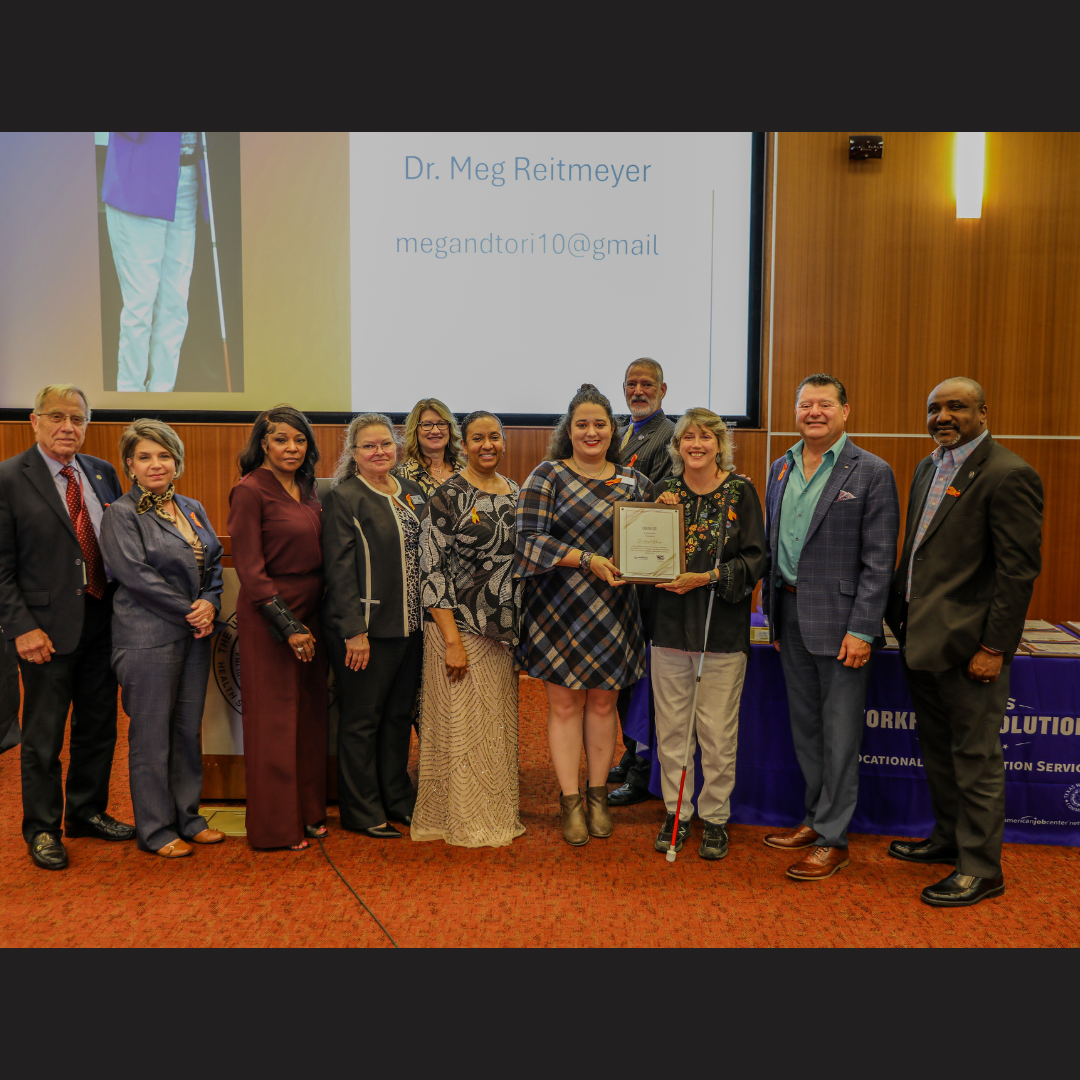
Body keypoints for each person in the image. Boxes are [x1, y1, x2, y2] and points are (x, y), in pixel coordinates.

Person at [885, 378, 1042, 907]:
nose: (943, 416)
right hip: (922, 639)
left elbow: (1017, 574)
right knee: (938, 751)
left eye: (956, 406)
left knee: (974, 758)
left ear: (982, 411)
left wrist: (994, 648)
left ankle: (981, 868)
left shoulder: (1009, 474)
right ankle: (948, 839)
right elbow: (922, 552)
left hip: (972, 647)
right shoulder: (930, 465)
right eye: (934, 408)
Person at [762, 374, 899, 881]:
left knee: (840, 735)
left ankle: (834, 840)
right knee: (807, 730)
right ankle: (815, 819)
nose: (813, 412)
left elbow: (880, 560)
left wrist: (863, 630)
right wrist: (772, 613)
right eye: (805, 404)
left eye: (824, 404)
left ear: (846, 411)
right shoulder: (780, 467)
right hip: (791, 615)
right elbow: (775, 548)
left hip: (843, 624)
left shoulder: (872, 471)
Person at [0, 384, 134, 871]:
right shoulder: (10, 478)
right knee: (44, 737)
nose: (67, 427)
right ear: (33, 422)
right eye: (55, 416)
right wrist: (21, 628)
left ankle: (86, 811)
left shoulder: (101, 472)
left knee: (98, 728)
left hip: (103, 621)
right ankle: (41, 829)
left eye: (76, 418)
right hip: (44, 630)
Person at [515, 383, 650, 846]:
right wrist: (585, 558)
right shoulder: (547, 475)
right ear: (568, 430)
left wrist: (669, 509)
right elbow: (528, 539)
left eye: (600, 424)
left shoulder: (634, 480)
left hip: (616, 611)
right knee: (566, 704)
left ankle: (597, 796)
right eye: (582, 424)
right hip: (559, 609)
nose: (592, 432)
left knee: (604, 704)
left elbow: (654, 541)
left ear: (613, 430)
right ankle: (570, 799)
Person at [99, 420, 226, 858]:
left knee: (187, 732)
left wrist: (210, 601)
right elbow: (135, 576)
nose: (156, 464)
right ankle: (155, 829)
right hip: (147, 636)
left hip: (194, 634)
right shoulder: (121, 513)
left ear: (177, 462)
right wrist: (192, 609)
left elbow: (213, 562)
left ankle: (188, 818)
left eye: (164, 456)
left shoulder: (191, 506)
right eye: (145, 457)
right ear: (130, 466)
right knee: (151, 737)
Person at [650, 409, 767, 859]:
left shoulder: (741, 491)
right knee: (673, 731)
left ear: (721, 443)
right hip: (668, 629)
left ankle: (715, 817)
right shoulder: (663, 493)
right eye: (687, 437)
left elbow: (756, 559)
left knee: (717, 731)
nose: (696, 444)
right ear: (677, 446)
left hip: (721, 630)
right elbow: (644, 553)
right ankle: (677, 813)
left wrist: (707, 577)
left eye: (705, 437)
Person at [413, 411, 525, 848]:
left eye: (494, 437)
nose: (487, 445)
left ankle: (495, 810)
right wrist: (453, 642)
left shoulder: (516, 492)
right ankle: (458, 818)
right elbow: (432, 570)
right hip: (458, 630)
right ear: (465, 442)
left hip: (501, 632)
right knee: (460, 730)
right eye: (477, 438)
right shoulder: (448, 495)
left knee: (494, 727)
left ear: (503, 441)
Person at [228, 405, 328, 851]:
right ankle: (274, 828)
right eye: (282, 439)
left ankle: (308, 813)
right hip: (271, 616)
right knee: (274, 722)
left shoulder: (308, 487)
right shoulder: (249, 491)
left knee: (308, 716)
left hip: (314, 611)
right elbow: (250, 571)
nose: (291, 448)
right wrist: (288, 626)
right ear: (263, 443)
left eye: (299, 440)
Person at [323, 414, 425, 839]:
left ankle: (396, 798)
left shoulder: (413, 491)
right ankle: (362, 810)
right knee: (362, 722)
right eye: (368, 446)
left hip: (412, 628)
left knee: (399, 718)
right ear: (353, 453)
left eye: (385, 443)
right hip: (366, 631)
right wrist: (353, 630)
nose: (379, 451)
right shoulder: (344, 497)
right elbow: (339, 569)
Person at [608, 357, 677, 805]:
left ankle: (643, 769)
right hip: (616, 574)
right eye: (631, 383)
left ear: (663, 389)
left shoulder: (669, 435)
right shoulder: (616, 430)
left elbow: (665, 494)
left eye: (646, 384)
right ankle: (631, 750)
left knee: (644, 680)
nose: (638, 390)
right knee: (622, 675)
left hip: (648, 575)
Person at [102, 132, 209, 392]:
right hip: (138, 179)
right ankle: (130, 401)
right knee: (140, 304)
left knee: (175, 304)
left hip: (187, 176)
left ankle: (162, 398)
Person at [392, 398, 465, 496]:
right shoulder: (401, 477)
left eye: (441, 423)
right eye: (426, 424)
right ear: (415, 431)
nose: (435, 431)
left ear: (450, 429)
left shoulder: (466, 472)